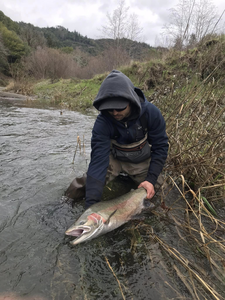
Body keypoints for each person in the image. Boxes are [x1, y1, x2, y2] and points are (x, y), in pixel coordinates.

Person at [65, 70, 168, 208]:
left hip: (140, 161)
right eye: (110, 109)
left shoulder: (151, 113)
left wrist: (150, 180)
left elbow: (160, 147)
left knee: (159, 190)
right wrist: (91, 207)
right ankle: (63, 204)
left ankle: (130, 182)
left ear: (131, 101)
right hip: (113, 160)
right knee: (86, 184)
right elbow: (98, 161)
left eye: (119, 108)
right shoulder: (102, 122)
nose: (114, 113)